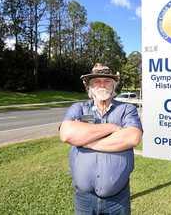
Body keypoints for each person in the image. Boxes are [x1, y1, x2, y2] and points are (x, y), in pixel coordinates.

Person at [60, 63, 143, 215]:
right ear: (89, 87)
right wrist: (112, 128)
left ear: (114, 86)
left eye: (107, 81)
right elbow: (67, 134)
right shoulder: (79, 108)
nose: (102, 85)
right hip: (84, 199)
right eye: (96, 81)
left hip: (118, 200)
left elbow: (133, 137)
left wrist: (86, 141)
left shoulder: (126, 109)